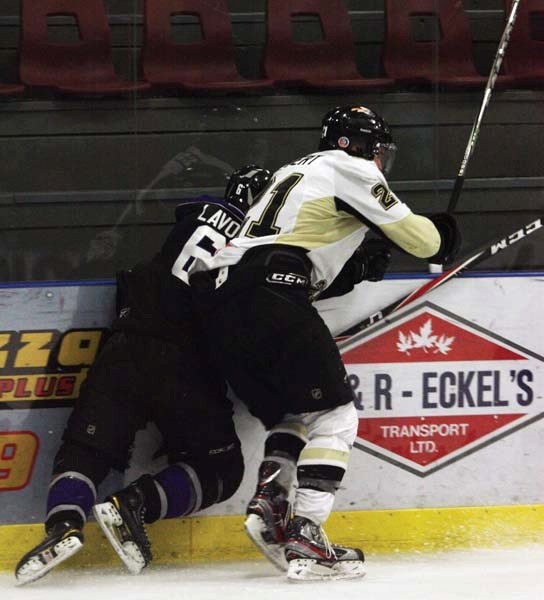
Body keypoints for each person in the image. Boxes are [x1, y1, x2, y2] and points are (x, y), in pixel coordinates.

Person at [190, 105, 461, 581]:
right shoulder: (349, 169)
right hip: (275, 289)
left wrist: (353, 264)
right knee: (337, 416)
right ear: (352, 145)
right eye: (377, 152)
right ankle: (307, 533)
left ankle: (272, 506)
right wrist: (442, 234)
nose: (380, 162)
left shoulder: (291, 171)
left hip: (220, 303)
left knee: (291, 416)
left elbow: (294, 241)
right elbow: (422, 242)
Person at [14, 165, 273, 585]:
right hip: (184, 364)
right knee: (220, 470)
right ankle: (134, 503)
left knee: (86, 449)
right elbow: (242, 330)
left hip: (125, 343)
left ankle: (63, 524)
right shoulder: (259, 245)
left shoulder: (193, 219)